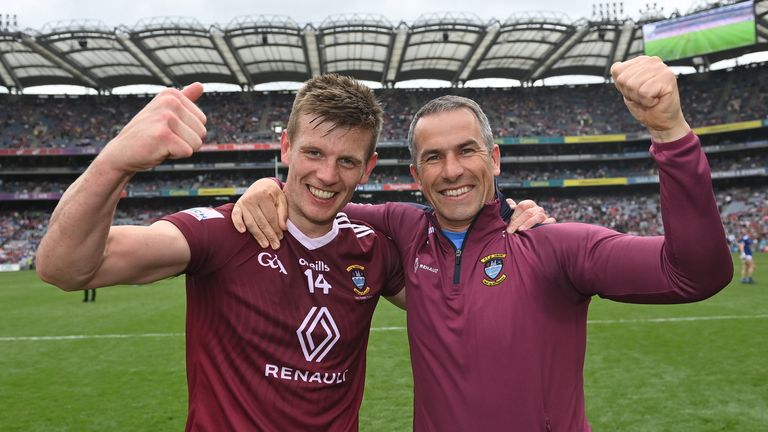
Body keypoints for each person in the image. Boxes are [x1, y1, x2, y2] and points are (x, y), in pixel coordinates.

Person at [233, 56, 733, 431]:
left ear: (493, 158)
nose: (451, 171)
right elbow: (317, 198)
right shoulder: (405, 231)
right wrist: (268, 186)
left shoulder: (553, 246)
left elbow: (693, 273)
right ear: (415, 174)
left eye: (466, 151)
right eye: (433, 157)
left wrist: (670, 133)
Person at [35, 74, 549, 431]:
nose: (327, 176)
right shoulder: (225, 231)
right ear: (285, 147)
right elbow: (64, 267)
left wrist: (512, 227)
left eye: (346, 161)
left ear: (368, 169)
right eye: (313, 153)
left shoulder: (374, 249)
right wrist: (116, 162)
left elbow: (467, 305)